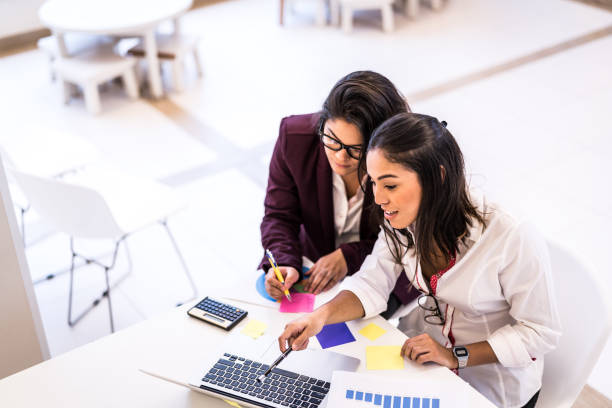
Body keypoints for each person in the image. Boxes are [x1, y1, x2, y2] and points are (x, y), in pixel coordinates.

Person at [277, 113, 561, 408]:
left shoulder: (509, 234)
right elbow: (372, 283)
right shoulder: (401, 218)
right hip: (422, 359)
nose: (378, 198)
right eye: (373, 183)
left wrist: (455, 355)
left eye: (390, 185)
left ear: (437, 177)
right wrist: (317, 318)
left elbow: (540, 332)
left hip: (490, 385)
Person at [259, 71, 417, 316]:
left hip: (388, 275)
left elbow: (408, 239)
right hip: (316, 270)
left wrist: (349, 257)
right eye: (331, 140)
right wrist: (282, 262)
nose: (340, 157)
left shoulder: (405, 163)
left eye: (356, 149)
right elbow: (279, 215)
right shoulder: (295, 138)